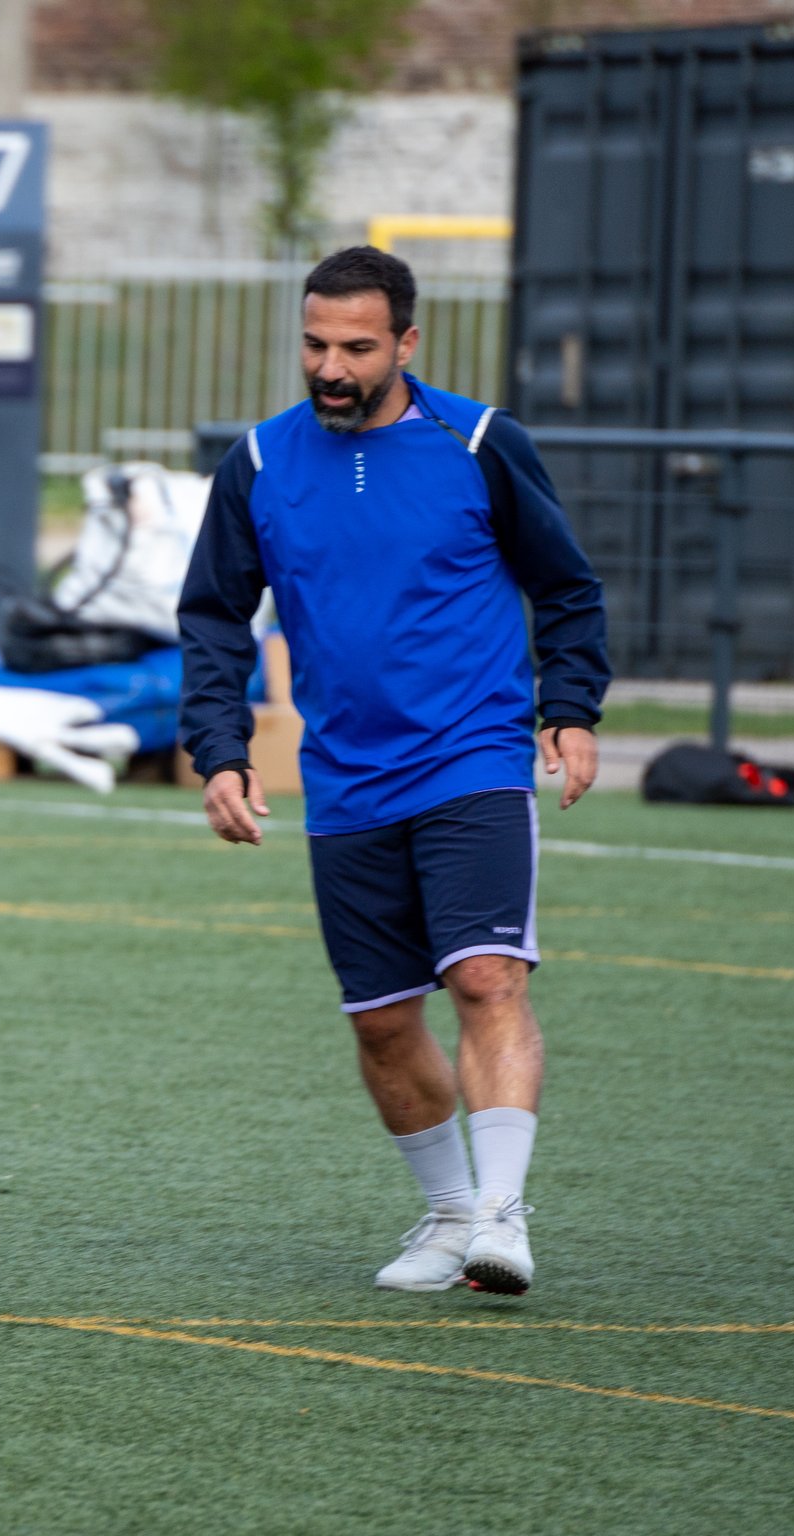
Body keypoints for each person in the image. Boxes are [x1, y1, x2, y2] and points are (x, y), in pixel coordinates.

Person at [177, 246, 609, 1297]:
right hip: (345, 779)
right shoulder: (262, 463)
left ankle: (503, 1214)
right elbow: (211, 617)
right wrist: (221, 750)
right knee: (379, 1020)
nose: (331, 366)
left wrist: (571, 709)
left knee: (484, 976)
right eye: (316, 344)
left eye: (357, 348)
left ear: (406, 343)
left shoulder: (477, 440)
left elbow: (566, 585)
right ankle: (451, 1212)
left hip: (471, 755)